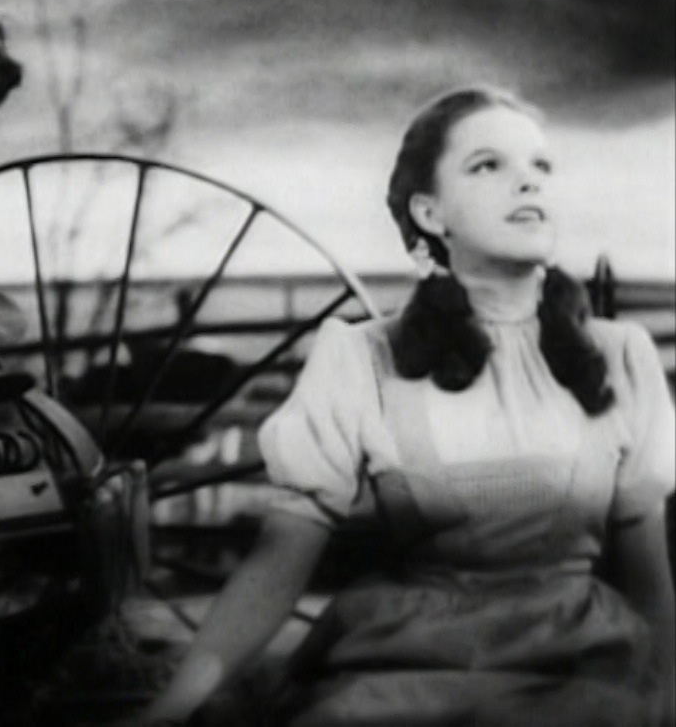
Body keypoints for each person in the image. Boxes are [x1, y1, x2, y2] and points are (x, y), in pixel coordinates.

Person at [136, 85, 676, 726]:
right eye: (488, 165)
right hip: (406, 666)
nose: (528, 182)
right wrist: (166, 712)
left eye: (541, 166)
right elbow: (280, 560)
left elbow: (650, 582)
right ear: (430, 213)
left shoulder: (620, 356)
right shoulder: (363, 359)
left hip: (583, 668)